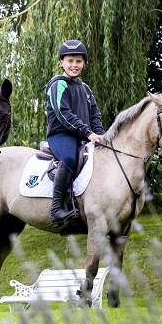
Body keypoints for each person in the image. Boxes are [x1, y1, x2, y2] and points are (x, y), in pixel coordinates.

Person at [43, 39, 104, 228]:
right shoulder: (57, 85)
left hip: (83, 135)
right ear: (61, 62)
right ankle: (56, 210)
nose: (74, 65)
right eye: (70, 61)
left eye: (78, 61)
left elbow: (95, 114)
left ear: (84, 63)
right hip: (61, 135)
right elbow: (63, 114)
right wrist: (87, 132)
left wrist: (100, 134)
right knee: (69, 158)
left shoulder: (85, 89)